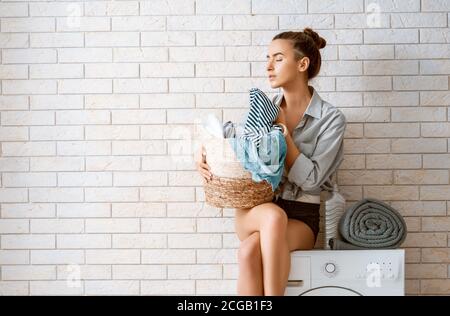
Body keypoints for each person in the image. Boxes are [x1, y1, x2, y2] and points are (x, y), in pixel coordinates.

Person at [196, 28, 346, 296]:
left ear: (302, 64)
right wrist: (202, 152)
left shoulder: (331, 119)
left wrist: (283, 135)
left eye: (278, 58)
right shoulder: (264, 109)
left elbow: (312, 180)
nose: (268, 66)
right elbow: (225, 134)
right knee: (272, 216)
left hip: (301, 216)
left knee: (248, 252)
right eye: (268, 57)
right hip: (257, 208)